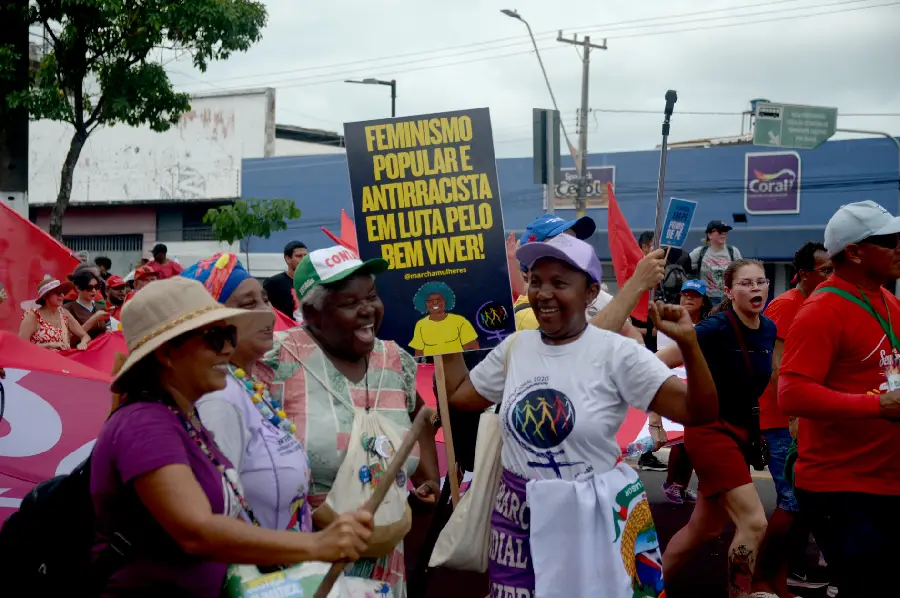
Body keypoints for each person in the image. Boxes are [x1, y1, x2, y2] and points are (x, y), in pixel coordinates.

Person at [443, 234, 717, 598]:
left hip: (595, 522)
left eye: (559, 283)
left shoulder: (618, 353)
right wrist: (440, 332)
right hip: (517, 522)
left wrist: (690, 345)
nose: (543, 293)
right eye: (535, 281)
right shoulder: (516, 347)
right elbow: (461, 396)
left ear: (590, 293)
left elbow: (699, 411)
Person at [90, 277, 374, 598]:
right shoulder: (144, 424)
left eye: (229, 334)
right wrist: (317, 545)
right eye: (215, 337)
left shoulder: (183, 417)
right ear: (167, 353)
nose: (228, 347)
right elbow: (196, 531)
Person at [260, 245, 441, 596]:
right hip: (306, 566)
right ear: (311, 312)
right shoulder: (277, 358)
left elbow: (421, 417)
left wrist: (426, 481)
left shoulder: (395, 361)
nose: (367, 311)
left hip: (385, 570)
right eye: (348, 303)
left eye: (371, 296)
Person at [779, 201, 900, 598]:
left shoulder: (887, 300)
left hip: (885, 479)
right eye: (890, 241)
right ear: (854, 252)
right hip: (843, 486)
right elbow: (792, 394)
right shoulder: (822, 310)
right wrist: (876, 406)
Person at [658, 259, 775, 598]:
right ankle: (740, 595)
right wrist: (659, 413)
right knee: (754, 522)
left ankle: (641, 589)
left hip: (741, 433)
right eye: (746, 283)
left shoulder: (768, 328)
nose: (755, 289)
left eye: (761, 282)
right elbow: (658, 363)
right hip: (710, 432)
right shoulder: (713, 329)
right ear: (728, 290)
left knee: (703, 529)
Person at [183, 253, 313, 534]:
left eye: (265, 300)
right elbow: (214, 517)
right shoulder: (218, 398)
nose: (266, 312)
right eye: (248, 304)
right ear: (212, 321)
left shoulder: (248, 387)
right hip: (252, 571)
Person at [750, 242, 833, 597]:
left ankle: (787, 571)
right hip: (781, 418)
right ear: (803, 275)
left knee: (803, 501)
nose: (832, 276)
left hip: (801, 416)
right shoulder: (786, 305)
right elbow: (775, 366)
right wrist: (796, 414)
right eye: (825, 271)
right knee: (792, 501)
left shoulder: (820, 302)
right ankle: (765, 579)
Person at [656, 279, 713, 505]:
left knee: (691, 438)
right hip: (674, 384)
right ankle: (671, 483)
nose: (688, 298)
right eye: (685, 294)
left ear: (702, 300)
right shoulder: (669, 322)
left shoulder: (709, 325)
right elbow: (664, 357)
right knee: (680, 440)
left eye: (694, 295)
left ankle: (682, 484)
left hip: (696, 385)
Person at [19, 277, 91, 351]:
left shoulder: (65, 314)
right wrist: (49, 345)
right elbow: (20, 345)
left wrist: (83, 343)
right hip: (38, 361)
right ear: (45, 296)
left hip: (63, 360)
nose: (62, 295)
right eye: (57, 292)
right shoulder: (33, 316)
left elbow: (85, 336)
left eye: (62, 292)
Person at [409, 280, 479, 356]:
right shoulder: (420, 325)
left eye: (439, 299)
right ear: (424, 303)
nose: (435, 303)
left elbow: (473, 352)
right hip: (432, 367)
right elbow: (419, 356)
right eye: (430, 301)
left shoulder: (460, 321)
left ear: (446, 301)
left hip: (458, 367)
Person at [689, 220, 742, 305]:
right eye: (720, 232)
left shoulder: (733, 252)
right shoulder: (699, 252)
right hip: (707, 300)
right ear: (709, 235)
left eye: (725, 232)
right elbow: (684, 266)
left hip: (728, 299)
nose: (724, 234)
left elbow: (741, 274)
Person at [264, 241, 308, 320]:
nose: (304, 259)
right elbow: (265, 310)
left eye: (306, 256)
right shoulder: (274, 283)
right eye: (299, 256)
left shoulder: (313, 281)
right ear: (288, 259)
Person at [64, 270, 110, 339]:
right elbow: (69, 339)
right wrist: (94, 318)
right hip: (81, 348)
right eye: (89, 288)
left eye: (97, 287)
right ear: (78, 288)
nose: (94, 290)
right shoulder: (68, 309)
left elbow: (107, 328)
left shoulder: (101, 307)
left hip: (102, 347)